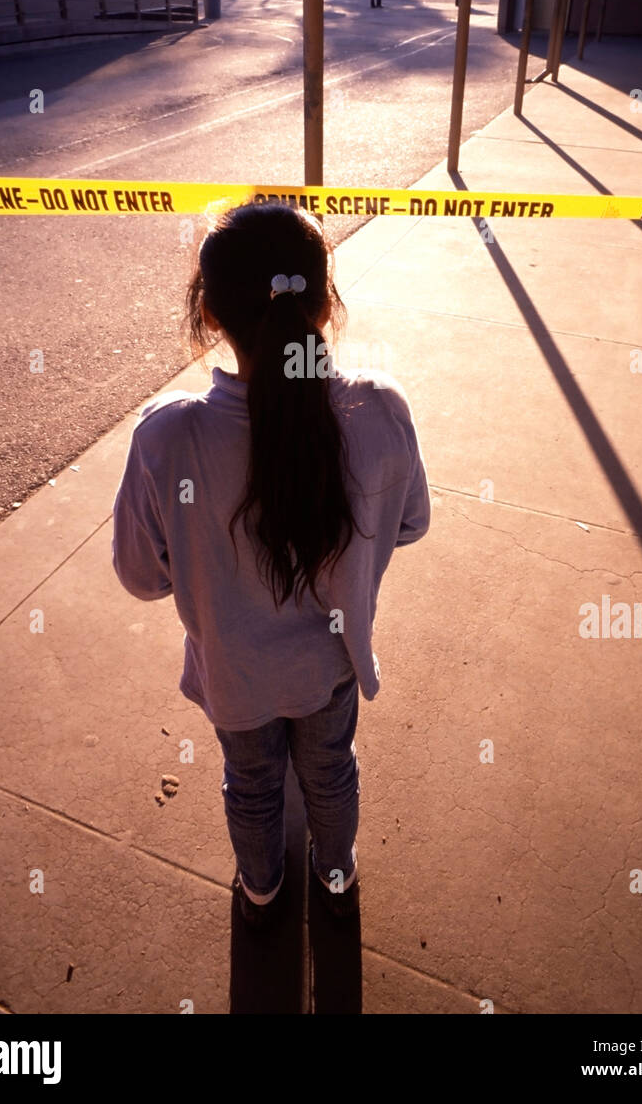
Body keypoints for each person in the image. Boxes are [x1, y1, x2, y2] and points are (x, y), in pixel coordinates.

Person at [112, 201, 430, 928]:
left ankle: (260, 885)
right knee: (331, 770)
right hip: (333, 669)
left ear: (210, 314)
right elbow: (410, 523)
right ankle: (336, 870)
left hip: (233, 677)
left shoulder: (168, 439)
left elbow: (140, 577)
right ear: (324, 303)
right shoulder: (380, 410)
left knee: (251, 782)